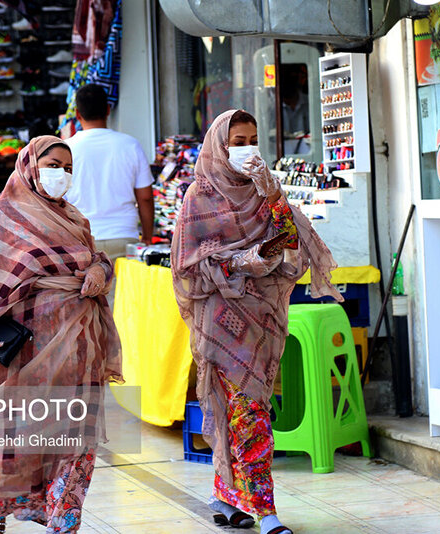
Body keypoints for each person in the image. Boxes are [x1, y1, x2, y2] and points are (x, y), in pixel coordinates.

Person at [171, 110, 342, 534]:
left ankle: (226, 496)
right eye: (237, 140)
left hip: (263, 316)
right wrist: (244, 260)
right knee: (249, 412)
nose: (247, 148)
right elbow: (188, 266)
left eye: (252, 139)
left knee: (245, 409)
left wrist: (274, 198)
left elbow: (293, 244)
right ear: (218, 146)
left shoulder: (265, 192)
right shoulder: (199, 198)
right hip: (221, 318)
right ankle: (265, 511)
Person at [0, 136, 123, 533]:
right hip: (28, 359)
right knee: (13, 444)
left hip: (81, 355)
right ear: (30, 164)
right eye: (53, 164)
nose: (62, 174)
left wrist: (99, 271)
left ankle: (64, 523)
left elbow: (94, 257)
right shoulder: (0, 217)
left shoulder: (75, 218)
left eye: (68, 167)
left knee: (77, 448)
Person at [65, 84, 155, 260]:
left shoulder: (66, 149)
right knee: (124, 288)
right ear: (108, 110)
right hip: (124, 236)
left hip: (81, 239)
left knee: (90, 288)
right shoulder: (130, 145)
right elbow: (145, 197)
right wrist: (147, 237)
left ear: (77, 114)